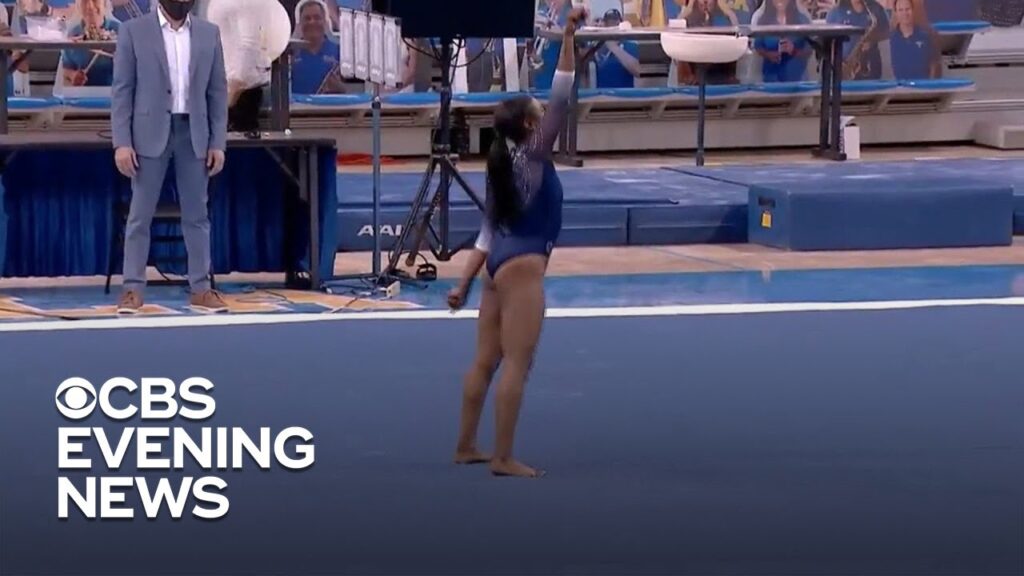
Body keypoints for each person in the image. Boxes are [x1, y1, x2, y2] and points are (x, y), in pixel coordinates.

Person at [447, 6, 586, 479]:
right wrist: (568, 35)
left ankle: (466, 446)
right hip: (524, 268)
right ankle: (503, 457)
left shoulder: (500, 165)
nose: (545, 115)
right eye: (539, 114)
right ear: (530, 126)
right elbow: (564, 91)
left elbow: (488, 232)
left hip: (494, 271)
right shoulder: (533, 154)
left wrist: (463, 284)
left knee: (485, 361)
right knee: (516, 366)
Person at [111, 0, 229, 313]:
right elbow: (122, 91)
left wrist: (218, 142)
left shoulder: (209, 33)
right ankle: (132, 290)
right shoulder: (133, 31)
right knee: (140, 216)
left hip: (194, 134)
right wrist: (122, 142)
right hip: (149, 134)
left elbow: (217, 92)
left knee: (197, 216)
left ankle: (201, 289)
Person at [61, 0, 120, 88]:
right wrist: (73, 75)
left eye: (95, 1)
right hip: (84, 97)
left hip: (114, 94)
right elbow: (66, 67)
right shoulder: (72, 35)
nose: (90, 7)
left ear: (104, 4)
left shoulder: (121, 31)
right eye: (84, 1)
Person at [290, 0, 344, 95]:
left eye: (317, 17)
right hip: (297, 108)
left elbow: (351, 93)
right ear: (300, 22)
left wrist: (340, 89)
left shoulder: (340, 52)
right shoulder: (290, 52)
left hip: (329, 108)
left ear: (325, 21)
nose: (312, 22)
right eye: (307, 18)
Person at [826, 0, 889, 80]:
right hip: (844, 68)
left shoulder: (875, 8)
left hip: (871, 66)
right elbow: (828, 43)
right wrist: (837, 63)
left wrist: (872, 40)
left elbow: (887, 31)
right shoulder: (835, 12)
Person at [753, 0, 813, 82]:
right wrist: (768, 55)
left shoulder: (802, 19)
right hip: (771, 79)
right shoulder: (762, 20)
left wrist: (794, 50)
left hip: (798, 80)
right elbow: (758, 46)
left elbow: (810, 50)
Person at [889, 0, 940, 80]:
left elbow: (933, 64)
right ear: (896, 13)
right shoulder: (890, 39)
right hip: (899, 89)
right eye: (901, 10)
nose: (905, 13)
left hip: (922, 89)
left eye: (907, 9)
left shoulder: (925, 36)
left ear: (913, 10)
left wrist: (929, 88)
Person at [594, 9, 640, 89]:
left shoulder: (630, 45)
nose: (613, 26)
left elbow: (638, 71)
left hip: (623, 97)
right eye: (609, 24)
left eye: (616, 23)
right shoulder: (596, 46)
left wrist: (614, 47)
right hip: (600, 96)